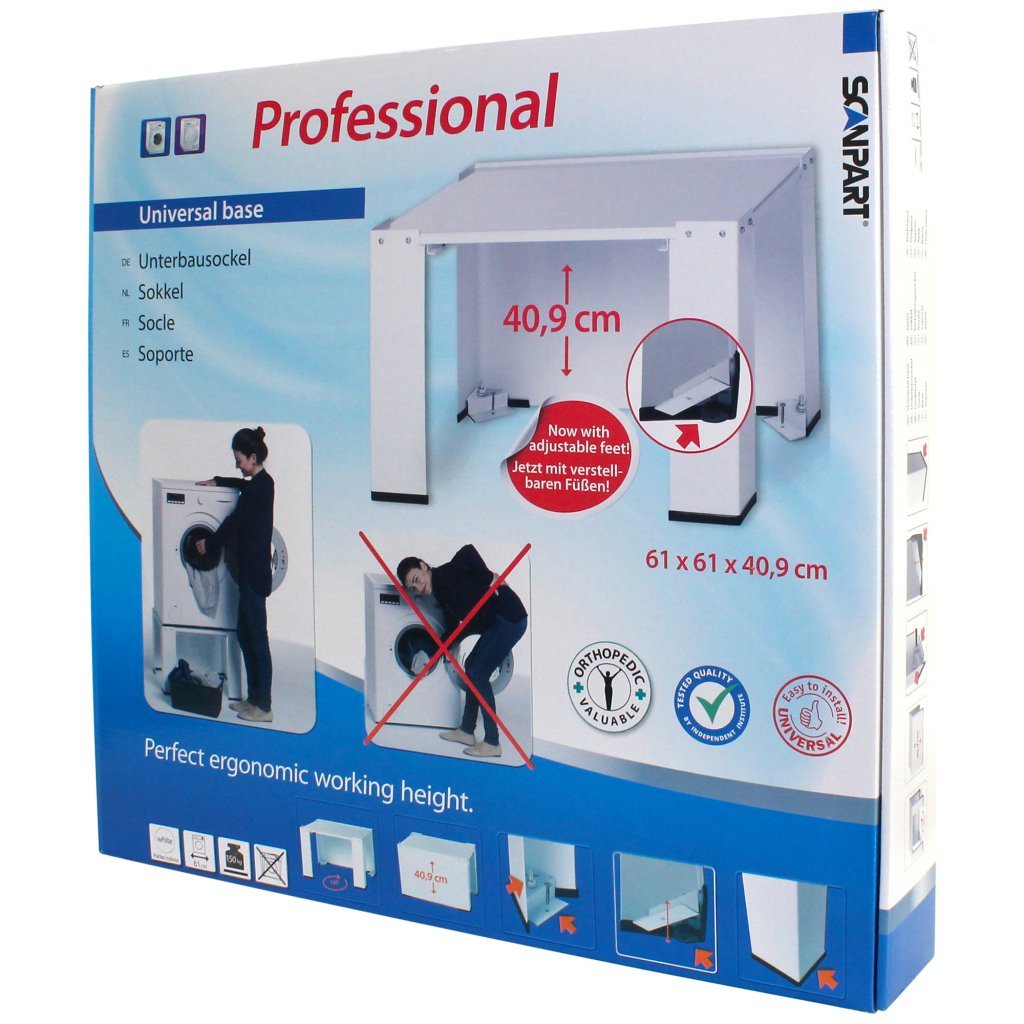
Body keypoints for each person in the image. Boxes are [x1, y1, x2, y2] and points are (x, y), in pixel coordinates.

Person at [397, 546, 526, 759]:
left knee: (478, 673)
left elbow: (468, 551)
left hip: (510, 618)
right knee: (471, 667)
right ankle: (467, 731)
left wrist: (490, 578)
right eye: (413, 587)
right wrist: (429, 654)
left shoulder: (447, 573)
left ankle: (492, 742)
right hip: (495, 622)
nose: (418, 588)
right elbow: (451, 631)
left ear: (423, 566)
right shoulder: (441, 594)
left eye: (416, 579)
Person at [195, 427, 275, 723]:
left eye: (239, 460)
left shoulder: (259, 488)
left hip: (254, 575)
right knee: (245, 633)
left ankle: (264, 706)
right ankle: (253, 698)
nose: (237, 465)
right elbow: (243, 484)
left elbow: (234, 521)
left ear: (252, 457)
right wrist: (218, 481)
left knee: (257, 639)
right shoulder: (261, 483)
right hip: (248, 572)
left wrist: (210, 543)